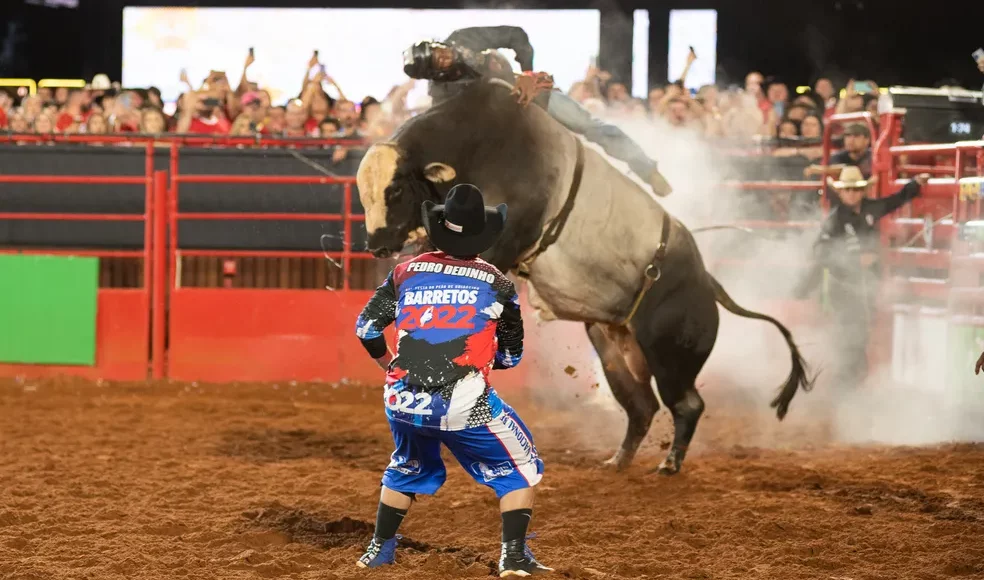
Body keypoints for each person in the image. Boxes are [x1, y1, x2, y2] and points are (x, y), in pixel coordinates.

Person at [353, 183, 550, 577]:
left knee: (407, 464)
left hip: (402, 398)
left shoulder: (406, 272)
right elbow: (511, 356)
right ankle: (513, 557)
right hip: (463, 402)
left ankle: (378, 550)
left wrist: (389, 365)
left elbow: (367, 328)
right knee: (522, 464)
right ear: (484, 235)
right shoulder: (497, 283)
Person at [401, 26, 673, 196]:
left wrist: (528, 73)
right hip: (503, 127)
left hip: (534, 96)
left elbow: (515, 35)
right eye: (437, 60)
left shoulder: (463, 38)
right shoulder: (442, 95)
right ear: (434, 73)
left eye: (439, 50)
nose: (444, 56)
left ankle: (646, 169)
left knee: (588, 124)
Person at [797, 167, 929, 390]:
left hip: (864, 285)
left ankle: (850, 384)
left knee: (859, 334)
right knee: (849, 335)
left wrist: (915, 184)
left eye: (855, 190)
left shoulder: (870, 209)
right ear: (841, 192)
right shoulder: (835, 219)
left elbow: (894, 201)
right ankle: (845, 384)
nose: (851, 194)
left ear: (862, 191)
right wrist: (853, 261)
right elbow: (819, 251)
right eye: (847, 190)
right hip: (843, 287)